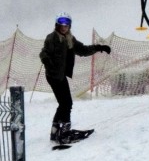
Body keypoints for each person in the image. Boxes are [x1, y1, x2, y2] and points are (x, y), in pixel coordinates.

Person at [39, 12, 111, 144]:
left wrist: (99, 47)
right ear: (57, 25)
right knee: (67, 103)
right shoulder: (52, 38)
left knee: (64, 103)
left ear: (69, 26)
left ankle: (55, 131)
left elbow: (83, 50)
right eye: (61, 24)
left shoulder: (70, 39)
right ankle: (64, 133)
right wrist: (47, 61)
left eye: (66, 24)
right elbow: (44, 52)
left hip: (60, 76)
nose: (64, 27)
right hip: (54, 75)